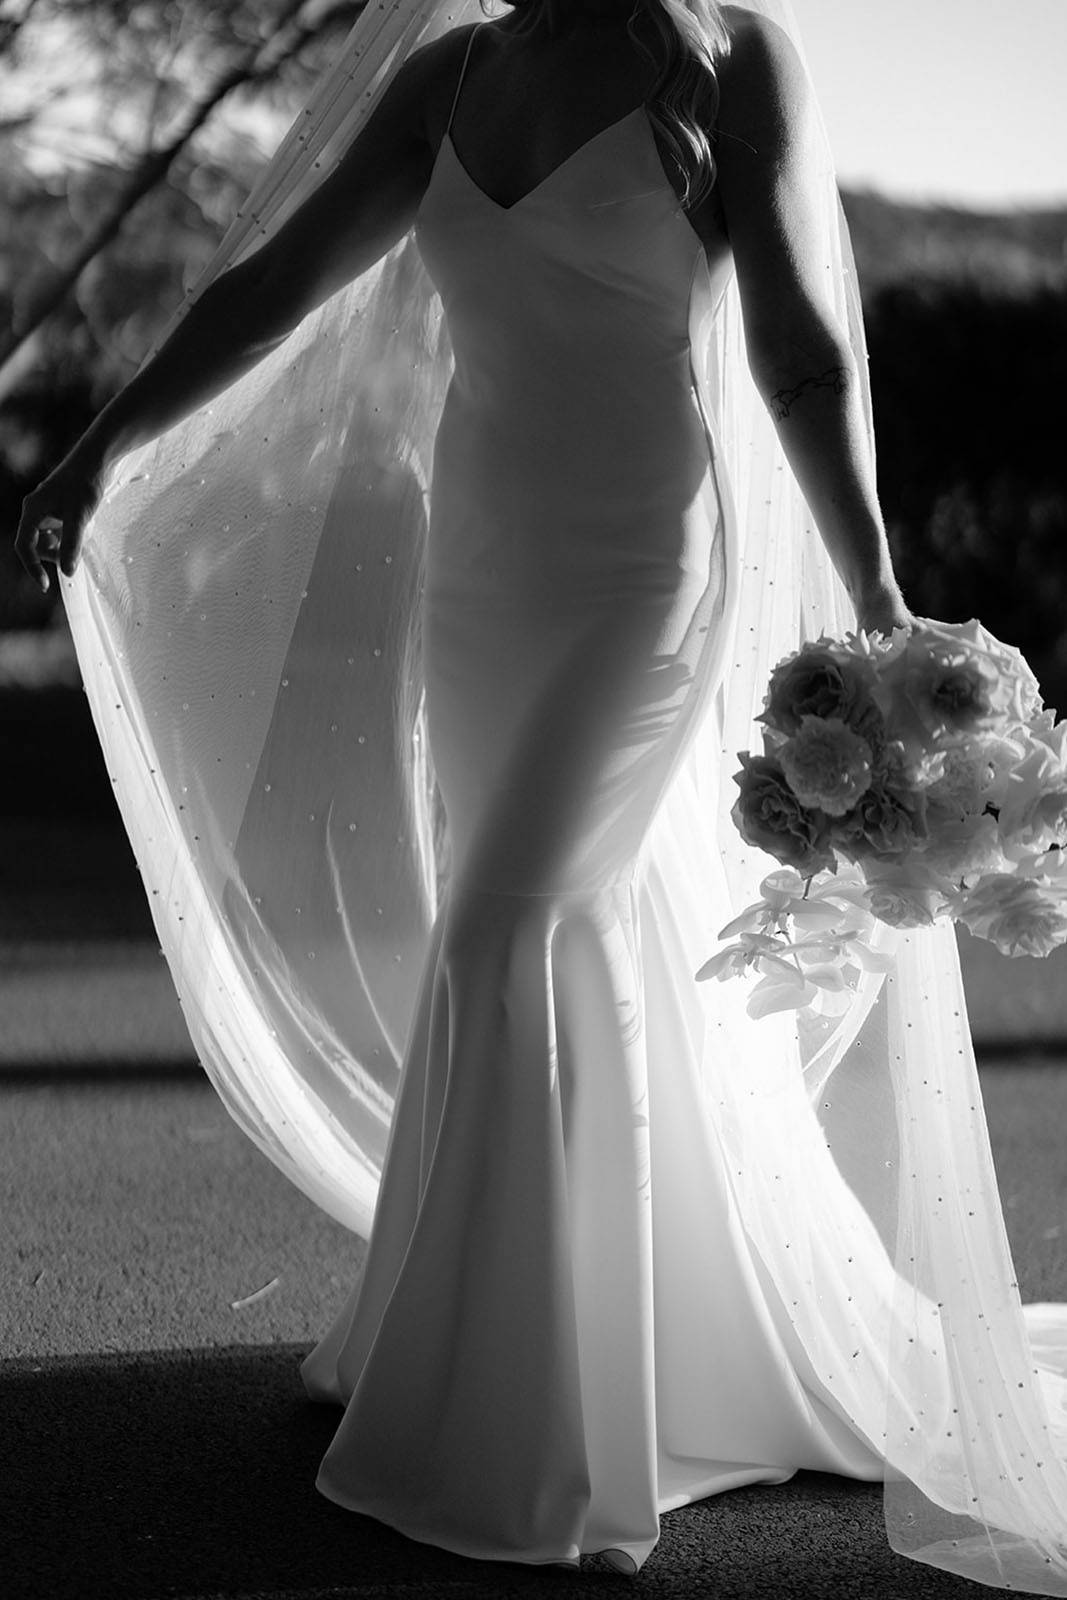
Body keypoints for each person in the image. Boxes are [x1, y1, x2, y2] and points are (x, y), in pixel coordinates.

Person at [13, 0, 1067, 1587]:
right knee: (540, 919)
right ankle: (605, 1337)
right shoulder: (451, 77)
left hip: (639, 557)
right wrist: (103, 447)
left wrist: (877, 590)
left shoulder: (725, 62)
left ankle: (538, 1419)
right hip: (484, 557)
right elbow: (278, 283)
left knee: (517, 922)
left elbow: (797, 340)